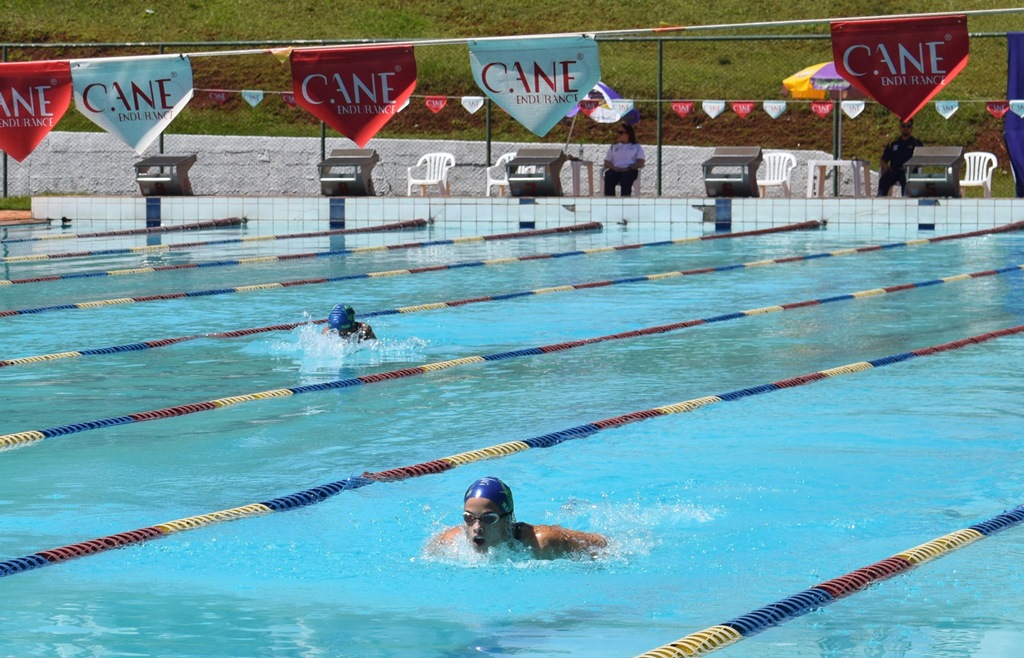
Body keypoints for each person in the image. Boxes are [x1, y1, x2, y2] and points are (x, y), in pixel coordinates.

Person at [429, 477, 607, 560]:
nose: (476, 527)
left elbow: (602, 544)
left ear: (508, 520)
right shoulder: (450, 543)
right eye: (469, 518)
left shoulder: (542, 542)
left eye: (488, 518)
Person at [877, 119, 924, 197]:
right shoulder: (893, 143)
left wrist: (910, 167)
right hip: (893, 170)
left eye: (908, 126)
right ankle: (880, 201)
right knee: (883, 180)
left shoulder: (916, 143)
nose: (906, 128)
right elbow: (883, 159)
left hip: (908, 172)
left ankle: (905, 202)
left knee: (907, 183)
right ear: (900, 127)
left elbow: (920, 160)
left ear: (912, 128)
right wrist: (885, 166)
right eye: (903, 126)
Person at [603, 123, 645, 197]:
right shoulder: (614, 146)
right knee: (609, 176)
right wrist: (614, 168)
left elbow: (641, 162)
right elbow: (606, 162)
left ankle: (625, 200)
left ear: (628, 134)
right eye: (618, 132)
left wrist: (629, 168)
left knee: (626, 177)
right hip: (615, 169)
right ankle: (609, 200)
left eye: (621, 133)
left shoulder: (636, 147)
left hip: (630, 170)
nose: (618, 135)